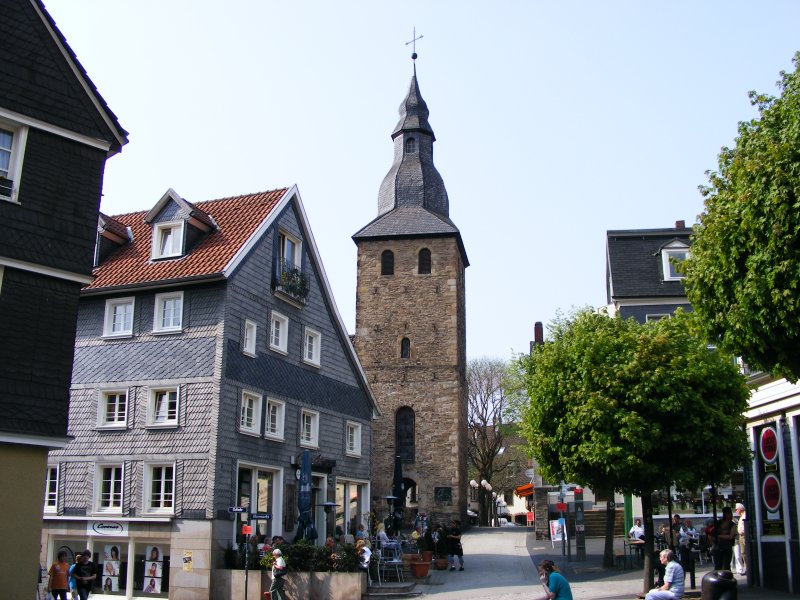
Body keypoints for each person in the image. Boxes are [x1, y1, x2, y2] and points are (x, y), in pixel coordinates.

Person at [711, 506, 736, 571]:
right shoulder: (718, 523)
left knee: (726, 566)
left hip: (727, 546)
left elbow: (731, 536)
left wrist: (718, 536)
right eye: (726, 513)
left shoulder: (732, 524)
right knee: (718, 566)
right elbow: (711, 533)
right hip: (717, 546)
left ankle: (726, 579)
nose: (728, 515)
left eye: (729, 513)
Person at [733, 502, 747, 575]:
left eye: (736, 509)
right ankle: (747, 568)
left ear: (740, 509)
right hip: (741, 536)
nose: (735, 511)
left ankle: (748, 568)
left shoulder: (744, 516)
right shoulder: (741, 516)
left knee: (744, 552)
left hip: (744, 536)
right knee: (743, 553)